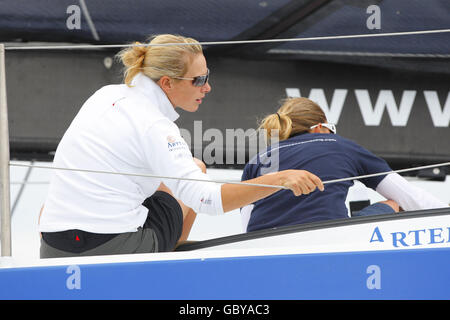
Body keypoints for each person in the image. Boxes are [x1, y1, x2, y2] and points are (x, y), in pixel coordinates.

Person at [38, 35, 324, 258]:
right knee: (195, 168)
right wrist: (278, 179)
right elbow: (206, 200)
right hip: (112, 249)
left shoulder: (104, 95)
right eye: (199, 80)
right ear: (167, 83)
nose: (207, 87)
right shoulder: (156, 125)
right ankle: (169, 263)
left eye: (207, 76)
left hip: (52, 247)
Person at [241, 97, 447, 232]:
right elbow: (409, 196)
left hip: (264, 246)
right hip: (331, 239)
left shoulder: (258, 159)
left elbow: (246, 227)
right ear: (320, 127)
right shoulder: (341, 146)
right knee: (396, 203)